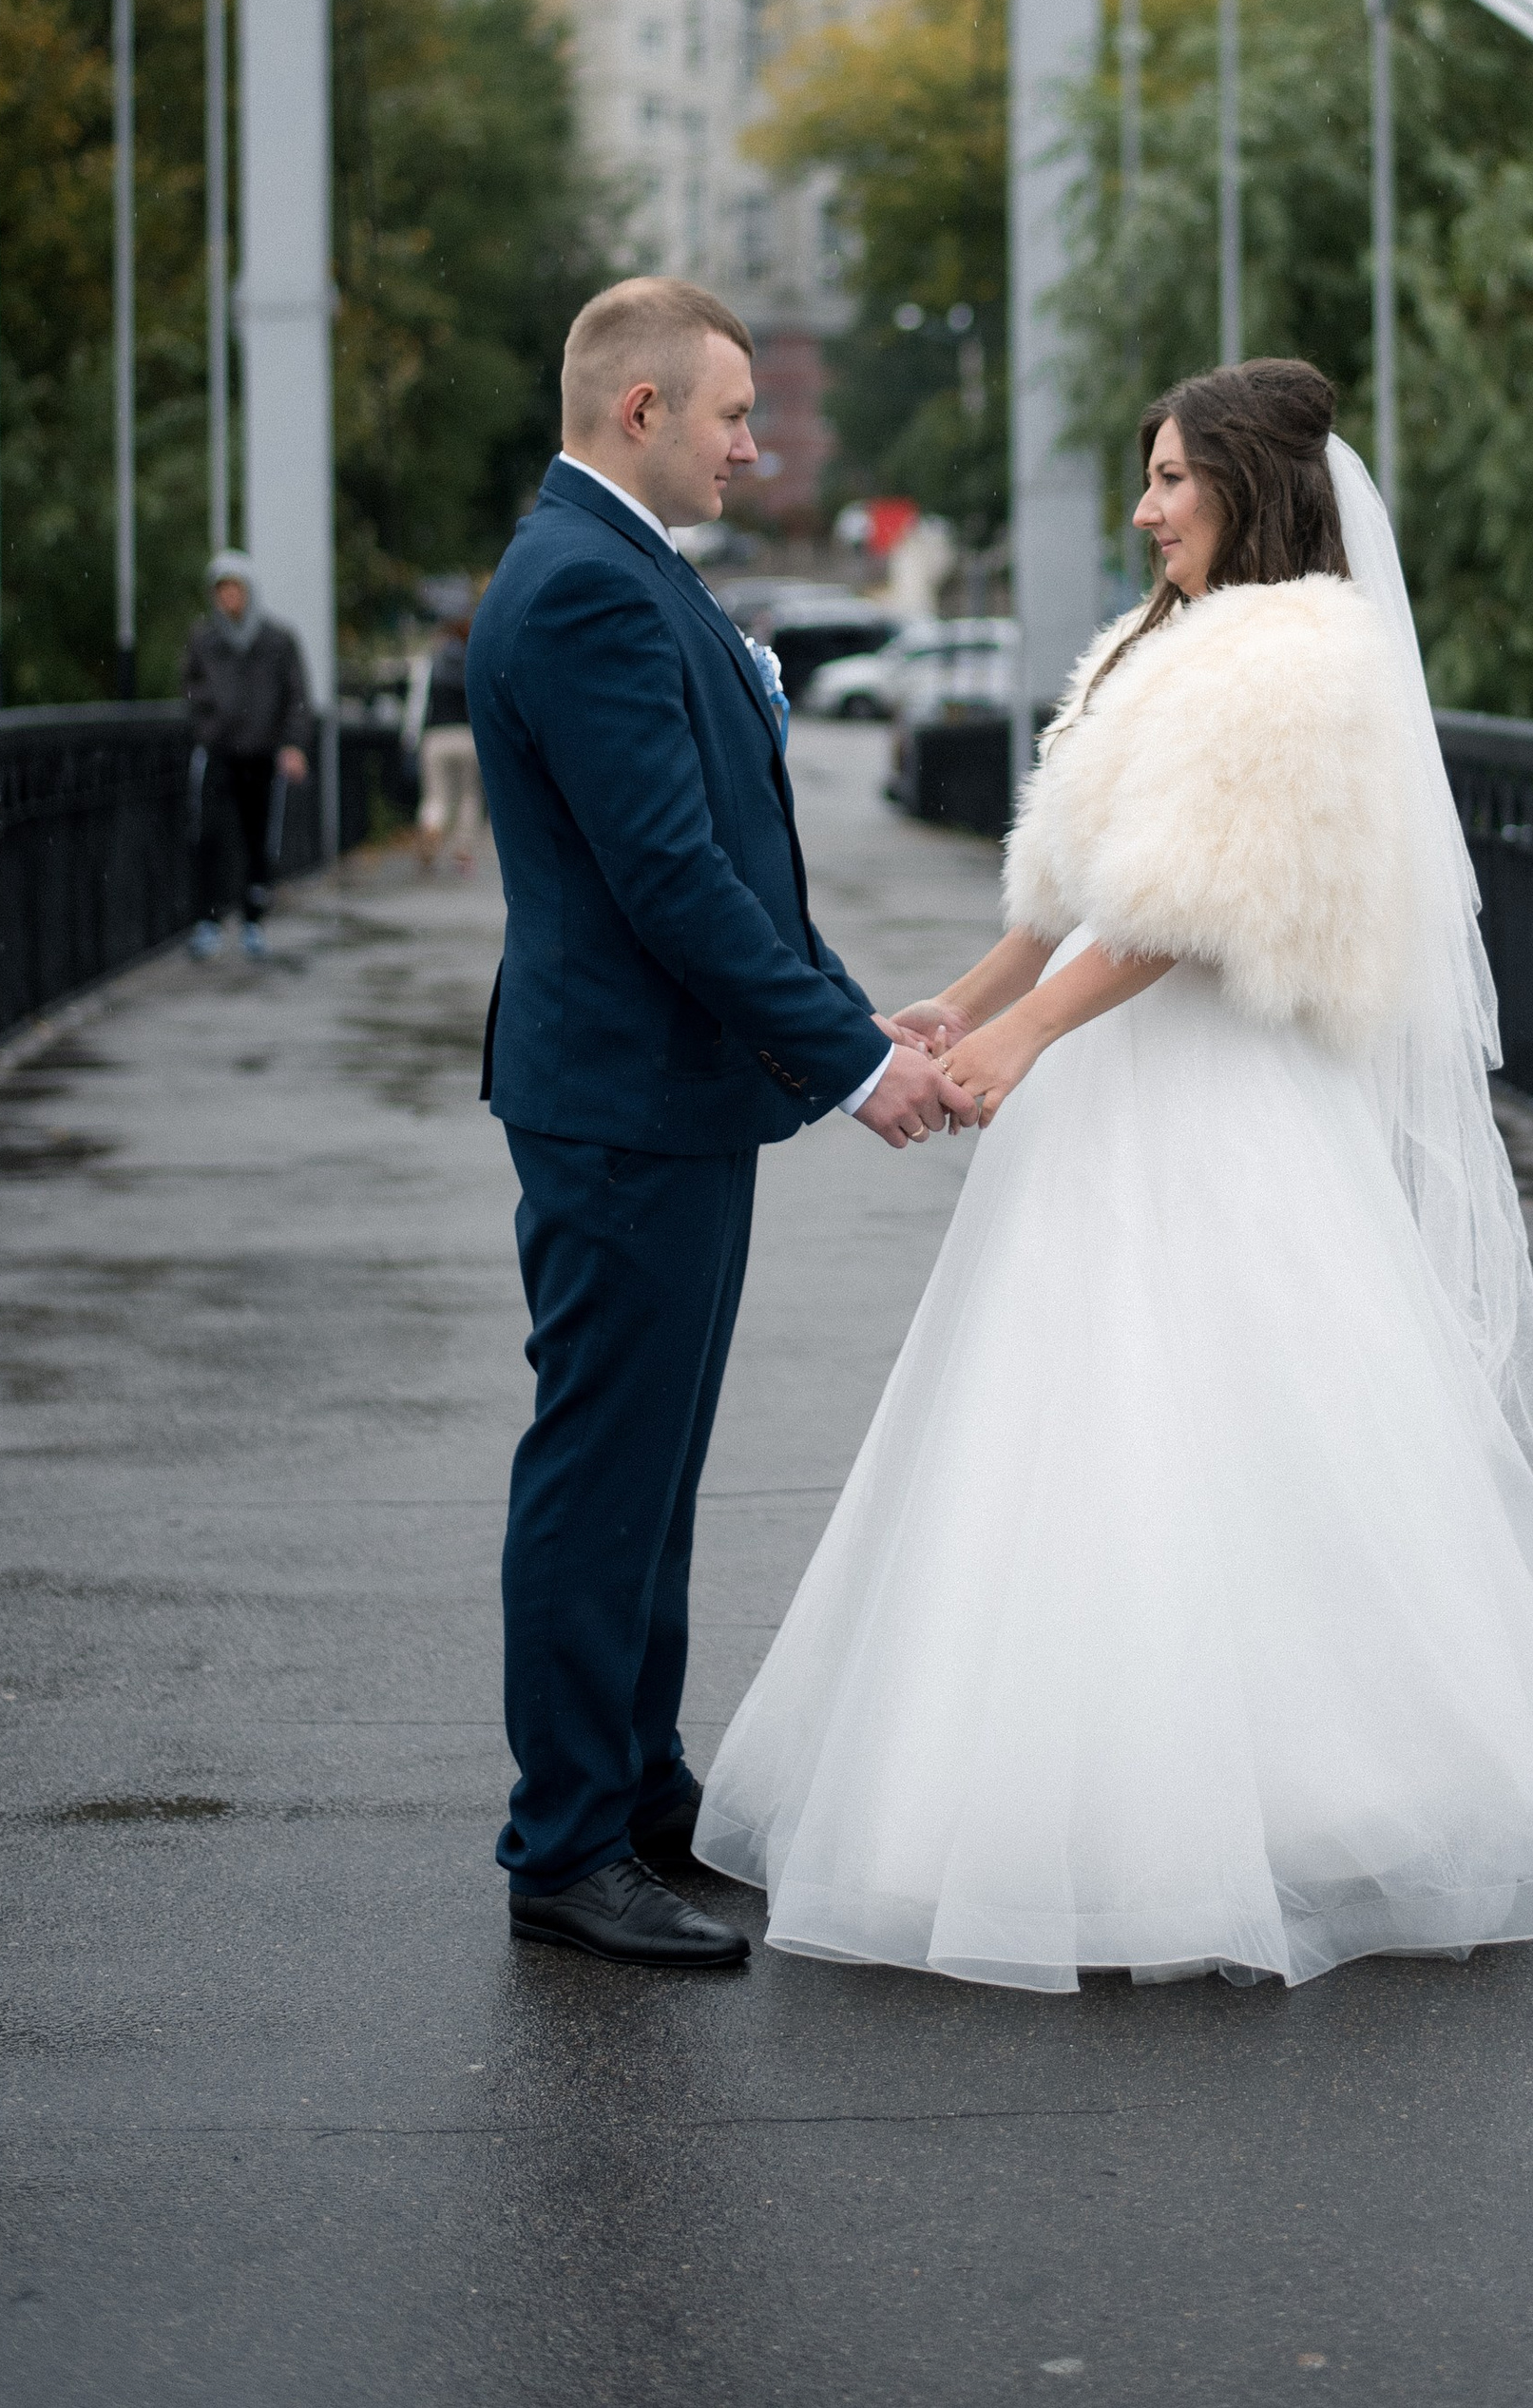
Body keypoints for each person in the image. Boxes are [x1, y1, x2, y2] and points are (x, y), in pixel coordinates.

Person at [698, 359, 1533, 1991]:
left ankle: (1313, 1795)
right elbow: (1079, 875)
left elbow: (1189, 905)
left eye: (1171, 478)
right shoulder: (1155, 641)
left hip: (1217, 1086)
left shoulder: (1303, 655)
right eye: (1148, 477)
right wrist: (971, 995)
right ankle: (1076, 1783)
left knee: (1242, 1411)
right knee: (1073, 1418)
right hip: (1116, 1079)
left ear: (1249, 484)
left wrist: (1025, 1046)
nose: (1146, 506)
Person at [465, 277, 975, 1975]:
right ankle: (563, 1846)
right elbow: (668, 881)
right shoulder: (589, 591)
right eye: (733, 415)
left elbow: (729, 857)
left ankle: (637, 1793)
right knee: (604, 1471)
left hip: (660, 1100)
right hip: (621, 1105)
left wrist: (852, 1008)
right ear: (641, 414)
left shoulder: (621, 572)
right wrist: (848, 1066)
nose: (756, 446)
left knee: (653, 1473)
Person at [182, 552, 313, 965]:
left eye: (236, 589)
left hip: (261, 754)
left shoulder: (276, 639)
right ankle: (209, 920)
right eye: (222, 590)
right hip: (220, 753)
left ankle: (254, 918)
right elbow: (190, 690)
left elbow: (296, 696)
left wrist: (292, 744)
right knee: (210, 834)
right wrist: (211, 725)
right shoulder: (203, 639)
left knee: (259, 837)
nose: (230, 598)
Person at [406, 588, 486, 874]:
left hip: (436, 736)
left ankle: (432, 825)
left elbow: (417, 704)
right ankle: (462, 851)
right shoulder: (473, 659)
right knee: (468, 796)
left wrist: (411, 739)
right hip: (467, 736)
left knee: (436, 795)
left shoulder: (430, 662)